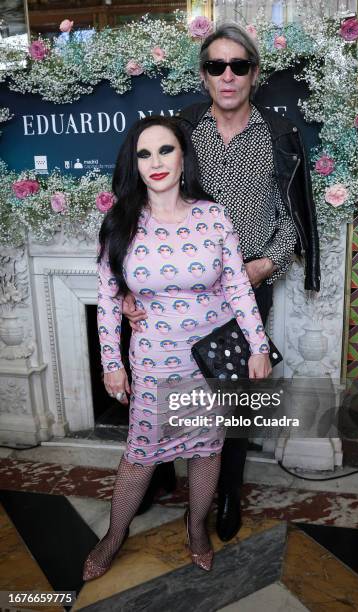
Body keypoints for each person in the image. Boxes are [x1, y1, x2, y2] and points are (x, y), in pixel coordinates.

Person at [123, 23, 321, 542]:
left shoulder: (278, 133)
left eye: (238, 65)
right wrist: (127, 283)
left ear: (255, 73)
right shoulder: (184, 128)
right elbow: (139, 197)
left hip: (244, 283)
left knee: (230, 390)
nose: (227, 75)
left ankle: (227, 489)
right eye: (216, 66)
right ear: (204, 76)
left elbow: (291, 216)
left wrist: (264, 266)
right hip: (173, 284)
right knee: (166, 380)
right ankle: (161, 473)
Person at [82, 115, 272, 580]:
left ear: (183, 155)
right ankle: (113, 535)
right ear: (135, 164)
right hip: (152, 361)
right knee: (139, 454)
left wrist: (258, 346)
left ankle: (196, 531)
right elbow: (108, 299)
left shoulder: (213, 215)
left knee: (206, 451)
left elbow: (238, 289)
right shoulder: (120, 223)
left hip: (211, 361)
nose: (156, 162)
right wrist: (111, 363)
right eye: (144, 154)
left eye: (165, 150)